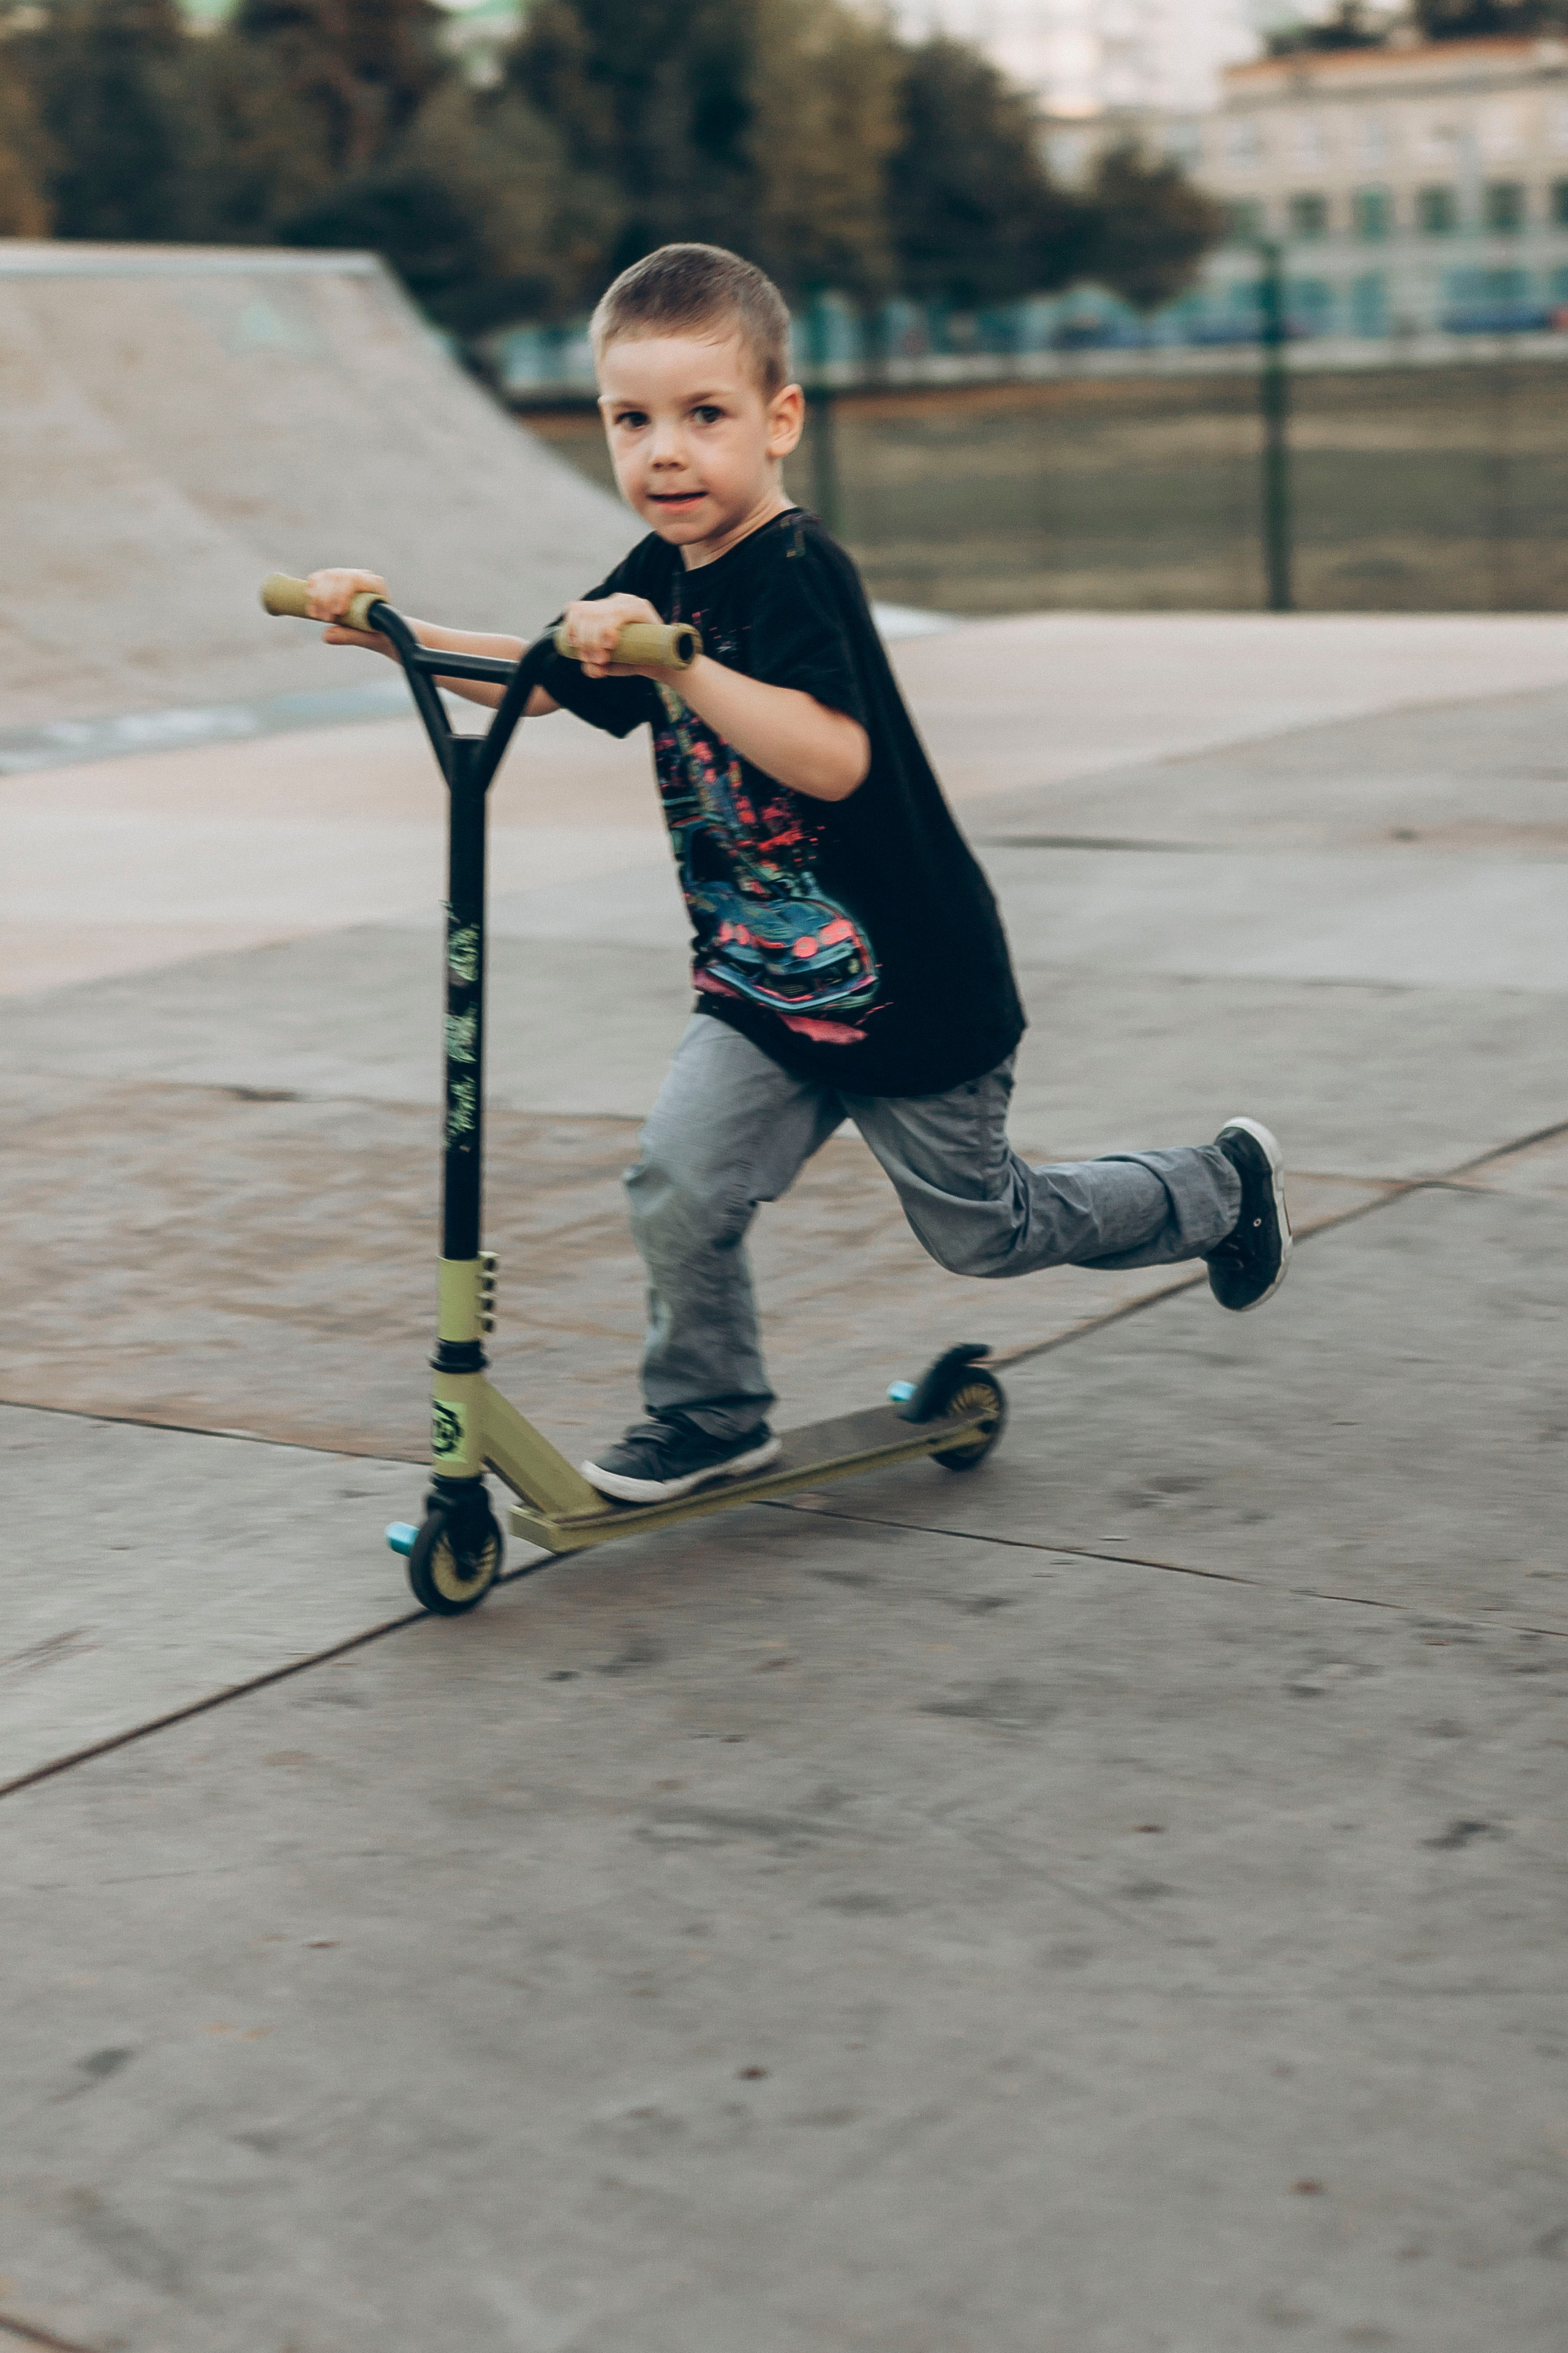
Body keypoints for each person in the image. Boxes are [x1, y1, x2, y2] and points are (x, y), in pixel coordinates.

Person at [306, 241, 1291, 1507]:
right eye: (631, 419)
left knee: (981, 1232)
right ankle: (709, 1413)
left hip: (912, 986)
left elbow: (831, 759)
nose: (664, 451)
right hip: (762, 989)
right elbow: (542, 681)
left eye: (701, 416)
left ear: (777, 423)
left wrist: (678, 667)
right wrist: (391, 628)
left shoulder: (794, 571)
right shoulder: (659, 571)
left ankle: (1217, 1184)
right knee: (676, 1183)